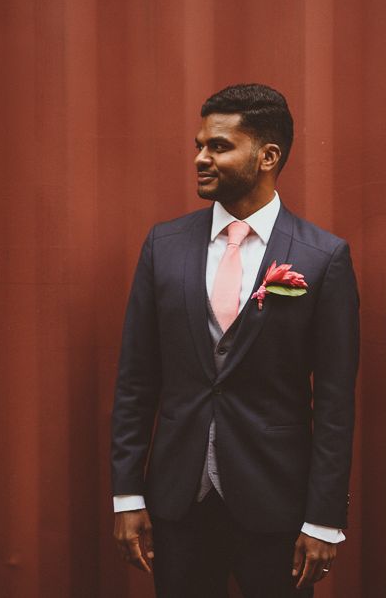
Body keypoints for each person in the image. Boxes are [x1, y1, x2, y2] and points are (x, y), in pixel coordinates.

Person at [110, 83, 360, 597]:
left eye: (219, 146)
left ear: (267, 156)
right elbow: (137, 379)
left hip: (276, 506)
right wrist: (128, 495)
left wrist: (322, 520)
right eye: (200, 144)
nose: (201, 157)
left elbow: (335, 400)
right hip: (178, 501)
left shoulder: (322, 258)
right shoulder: (164, 245)